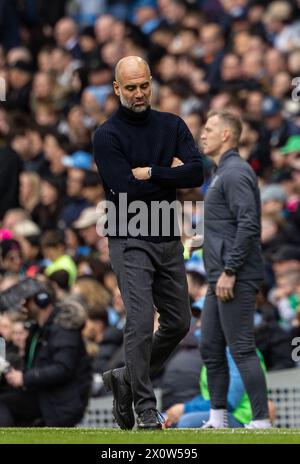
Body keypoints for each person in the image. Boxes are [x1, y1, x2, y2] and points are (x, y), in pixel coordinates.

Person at [93, 55, 204, 430]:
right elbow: (124, 189)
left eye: (144, 85)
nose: (139, 94)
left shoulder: (172, 124)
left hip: (166, 233)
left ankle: (125, 378)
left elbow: (197, 171)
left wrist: (152, 173)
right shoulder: (106, 135)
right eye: (130, 88)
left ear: (151, 82)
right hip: (128, 235)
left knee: (179, 322)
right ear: (116, 89)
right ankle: (144, 406)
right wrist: (171, 176)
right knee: (140, 322)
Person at [199, 109, 271, 429]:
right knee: (211, 346)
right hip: (219, 276)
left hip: (234, 276)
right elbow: (233, 225)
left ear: (226, 135)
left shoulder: (234, 172)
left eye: (209, 128)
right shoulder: (219, 173)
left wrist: (230, 269)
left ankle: (260, 421)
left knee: (241, 348)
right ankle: (218, 418)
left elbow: (249, 224)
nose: (202, 133)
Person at [0, 278, 91, 427]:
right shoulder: (38, 330)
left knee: (4, 403)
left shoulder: (63, 327)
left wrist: (24, 378)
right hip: (44, 397)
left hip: (59, 404)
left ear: (41, 300)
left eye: (27, 301)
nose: (23, 306)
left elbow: (62, 368)